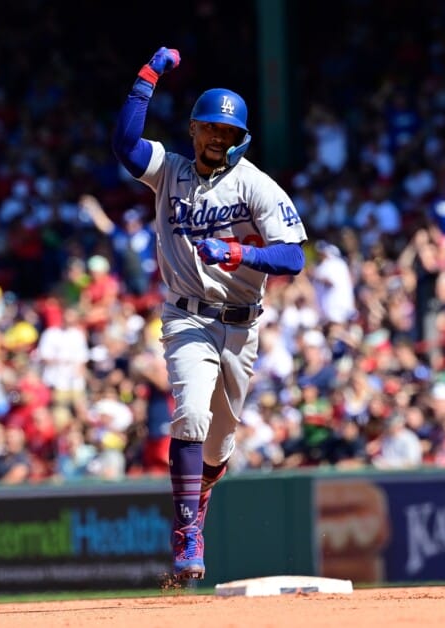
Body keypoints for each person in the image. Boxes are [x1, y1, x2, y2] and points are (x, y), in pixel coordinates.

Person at [111, 47, 307, 580]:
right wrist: (147, 77)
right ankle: (186, 538)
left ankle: (197, 508)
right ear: (193, 130)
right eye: (210, 129)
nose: (218, 138)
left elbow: (293, 256)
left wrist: (241, 253)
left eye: (229, 131)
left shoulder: (256, 185)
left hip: (242, 324)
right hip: (186, 317)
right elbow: (125, 145)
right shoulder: (168, 172)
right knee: (191, 416)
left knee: (221, 443)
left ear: (241, 136)